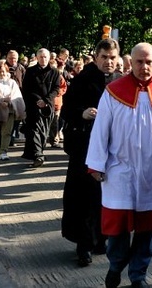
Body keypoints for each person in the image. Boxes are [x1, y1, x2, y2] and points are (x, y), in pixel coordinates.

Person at [86, 43, 152, 288]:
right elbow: (100, 131)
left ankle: (138, 275)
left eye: (148, 62)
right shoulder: (113, 92)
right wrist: (96, 164)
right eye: (139, 62)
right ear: (131, 63)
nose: (144, 66)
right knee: (117, 226)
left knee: (145, 227)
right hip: (120, 170)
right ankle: (116, 265)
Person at [61, 39, 121, 268]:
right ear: (96, 57)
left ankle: (100, 239)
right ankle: (83, 245)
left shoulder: (121, 82)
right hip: (85, 148)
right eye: (104, 57)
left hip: (112, 149)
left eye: (112, 57)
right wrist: (82, 112)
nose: (108, 62)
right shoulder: (82, 80)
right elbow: (67, 109)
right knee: (84, 198)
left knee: (105, 197)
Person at [21, 48, 61, 168]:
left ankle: (39, 152)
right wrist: (38, 100)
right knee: (34, 130)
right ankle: (38, 155)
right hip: (33, 106)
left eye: (45, 57)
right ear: (37, 58)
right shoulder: (30, 71)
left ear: (49, 58)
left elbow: (56, 88)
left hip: (48, 107)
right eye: (41, 57)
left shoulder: (55, 72)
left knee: (44, 132)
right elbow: (27, 89)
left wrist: (46, 101)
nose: (43, 59)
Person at [0, 60, 26, 160]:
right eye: (0, 71)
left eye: (4, 71)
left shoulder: (12, 83)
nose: (2, 73)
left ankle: (3, 152)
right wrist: (0, 100)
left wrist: (10, 101)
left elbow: (17, 95)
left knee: (7, 132)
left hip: (9, 110)